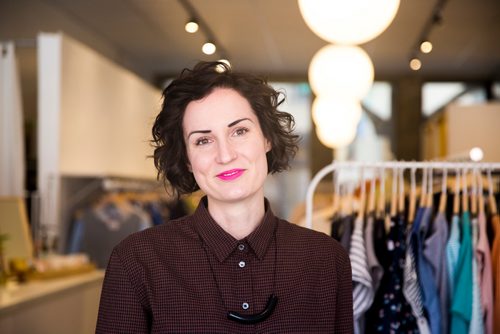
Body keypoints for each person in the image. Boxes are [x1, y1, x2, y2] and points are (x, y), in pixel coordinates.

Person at [95, 61, 353, 333]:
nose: (225, 155)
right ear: (186, 160)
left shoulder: (327, 259)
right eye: (203, 140)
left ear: (267, 138)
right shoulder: (137, 260)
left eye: (239, 131)